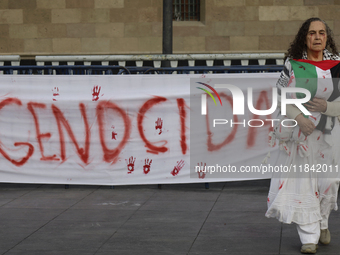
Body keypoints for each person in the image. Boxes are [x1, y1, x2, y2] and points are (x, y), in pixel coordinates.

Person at [265, 17, 340, 254]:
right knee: (303, 184)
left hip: (330, 135)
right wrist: (300, 118)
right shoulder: (293, 64)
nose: (317, 37)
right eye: (311, 33)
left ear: (327, 37)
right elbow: (281, 95)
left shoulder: (337, 65)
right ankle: (309, 236)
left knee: (327, 182)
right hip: (301, 135)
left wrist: (327, 108)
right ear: (304, 37)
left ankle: (322, 222)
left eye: (321, 33)